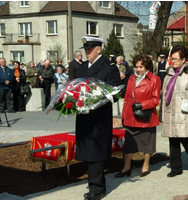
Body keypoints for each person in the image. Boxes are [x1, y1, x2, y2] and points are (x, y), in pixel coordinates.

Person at [75, 36, 121, 200]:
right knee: (87, 150)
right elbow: (75, 87)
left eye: (90, 49)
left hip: (99, 118)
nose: (87, 52)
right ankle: (96, 183)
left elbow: (115, 93)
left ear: (99, 49)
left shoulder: (108, 67)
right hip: (84, 116)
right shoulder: (82, 68)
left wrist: (97, 99)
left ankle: (96, 189)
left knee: (96, 152)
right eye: (85, 50)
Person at [115, 53, 161, 178]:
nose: (139, 69)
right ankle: (126, 167)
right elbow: (127, 99)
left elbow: (155, 99)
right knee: (129, 143)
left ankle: (145, 165)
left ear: (147, 66)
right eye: (137, 66)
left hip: (146, 116)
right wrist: (123, 116)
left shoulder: (155, 79)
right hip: (131, 116)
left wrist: (141, 105)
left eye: (141, 67)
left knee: (147, 143)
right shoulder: (131, 79)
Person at [161, 46, 188, 177]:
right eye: (172, 59)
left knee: (186, 139)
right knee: (173, 141)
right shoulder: (168, 74)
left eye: (177, 59)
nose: (174, 62)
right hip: (170, 112)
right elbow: (164, 95)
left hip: (184, 113)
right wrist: (162, 115)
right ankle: (176, 167)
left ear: (184, 59)